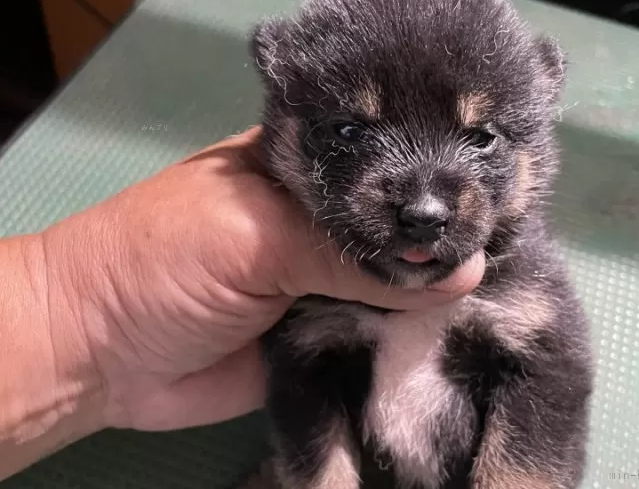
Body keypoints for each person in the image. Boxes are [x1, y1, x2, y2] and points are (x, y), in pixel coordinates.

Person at [0, 126, 484, 480]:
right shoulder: (298, 286)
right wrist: (74, 316)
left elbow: (549, 391)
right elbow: (305, 397)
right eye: (351, 132)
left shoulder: (517, 288)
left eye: (480, 139)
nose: (426, 206)